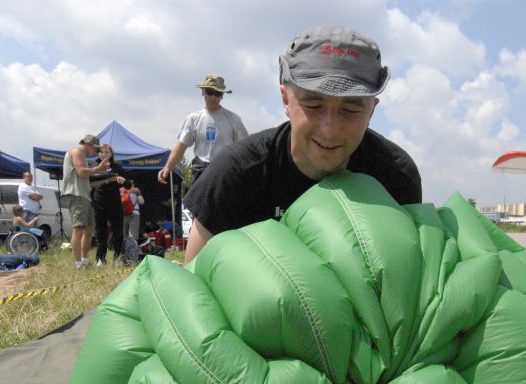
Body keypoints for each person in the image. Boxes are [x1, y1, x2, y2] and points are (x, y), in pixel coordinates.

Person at [182, 26, 422, 264]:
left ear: (372, 110)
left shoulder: (396, 176)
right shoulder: (235, 175)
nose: (329, 129)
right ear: (286, 100)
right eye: (313, 105)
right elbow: (192, 285)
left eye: (351, 109)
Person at [158, 74, 248, 186]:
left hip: (225, 172)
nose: (213, 97)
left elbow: (245, 148)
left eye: (218, 93)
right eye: (210, 92)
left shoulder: (233, 119)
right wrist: (167, 167)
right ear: (203, 92)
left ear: (222, 96)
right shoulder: (193, 118)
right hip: (200, 173)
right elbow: (181, 146)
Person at [61, 134, 110, 268]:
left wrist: (107, 179)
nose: (95, 153)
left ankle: (84, 260)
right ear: (88, 145)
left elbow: (86, 181)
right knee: (79, 229)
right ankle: (78, 264)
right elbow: (82, 172)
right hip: (77, 195)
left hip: (84, 196)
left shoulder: (82, 155)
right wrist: (98, 169)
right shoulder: (77, 151)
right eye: (95, 149)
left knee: (88, 229)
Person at [90, 143, 126, 266]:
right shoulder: (94, 165)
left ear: (111, 154)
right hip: (99, 202)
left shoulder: (117, 166)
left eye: (106, 152)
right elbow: (89, 181)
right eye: (101, 152)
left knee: (117, 231)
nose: (104, 155)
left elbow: (129, 185)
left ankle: (118, 257)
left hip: (115, 202)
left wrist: (123, 181)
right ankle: (100, 258)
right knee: (100, 231)